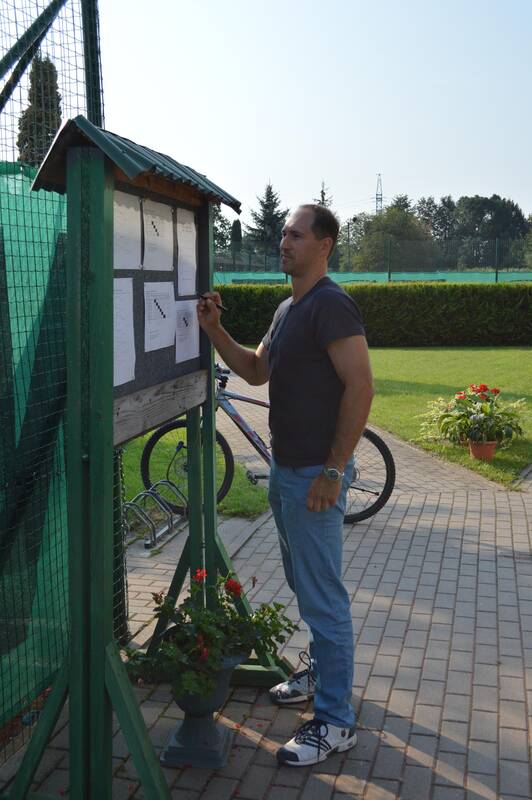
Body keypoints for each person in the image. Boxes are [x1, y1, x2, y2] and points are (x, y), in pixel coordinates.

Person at [197, 204, 373, 767]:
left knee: (324, 598)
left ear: (324, 245)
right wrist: (214, 329)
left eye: (295, 234)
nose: (284, 242)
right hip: (285, 470)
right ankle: (321, 675)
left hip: (314, 476)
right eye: (282, 234)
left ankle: (336, 721)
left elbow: (361, 387)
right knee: (303, 582)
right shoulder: (287, 308)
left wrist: (333, 471)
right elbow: (255, 370)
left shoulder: (331, 304)